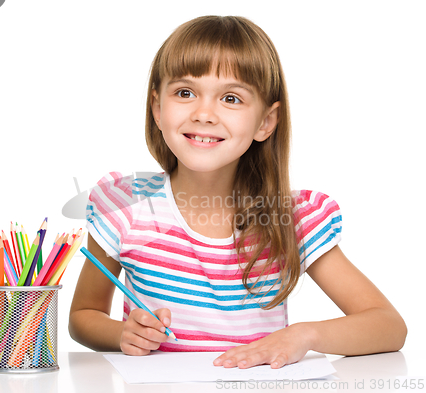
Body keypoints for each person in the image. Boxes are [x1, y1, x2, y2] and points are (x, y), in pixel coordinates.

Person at [69, 15, 407, 369]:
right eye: (185, 93)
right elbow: (83, 315)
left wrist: (304, 335)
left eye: (230, 98)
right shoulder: (126, 206)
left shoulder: (291, 218)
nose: (204, 113)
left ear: (265, 122)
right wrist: (122, 334)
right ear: (157, 107)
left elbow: (388, 325)